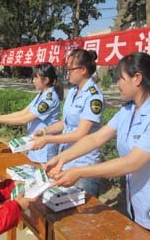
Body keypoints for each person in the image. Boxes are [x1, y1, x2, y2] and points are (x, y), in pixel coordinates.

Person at [45, 52, 150, 240]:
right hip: (140, 210)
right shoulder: (127, 111)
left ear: (137, 79)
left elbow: (132, 163)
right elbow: (95, 139)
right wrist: (62, 158)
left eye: (121, 79)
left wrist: (79, 171)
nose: (117, 84)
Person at [31, 49, 104, 197]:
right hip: (66, 159)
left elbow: (80, 134)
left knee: (82, 213)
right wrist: (45, 131)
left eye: (70, 69)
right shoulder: (72, 91)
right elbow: (65, 123)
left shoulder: (93, 96)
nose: (67, 73)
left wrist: (48, 139)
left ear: (83, 70)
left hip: (84, 163)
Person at [0, 62, 63, 164]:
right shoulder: (41, 95)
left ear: (46, 80)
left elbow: (25, 119)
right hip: (35, 143)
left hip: (44, 148)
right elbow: (23, 112)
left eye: (36, 78)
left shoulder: (49, 99)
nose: (33, 81)